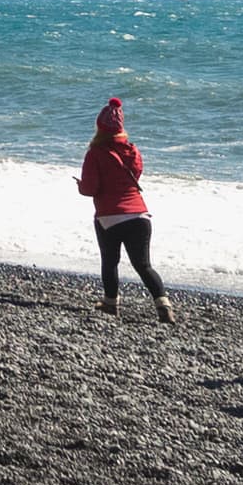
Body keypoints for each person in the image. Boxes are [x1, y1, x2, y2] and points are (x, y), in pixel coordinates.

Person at [77, 97, 173, 322]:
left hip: (109, 216)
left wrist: (80, 186)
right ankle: (163, 305)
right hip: (140, 215)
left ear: (99, 128)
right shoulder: (133, 151)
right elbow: (135, 176)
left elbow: (90, 189)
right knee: (144, 265)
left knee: (110, 261)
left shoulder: (95, 153)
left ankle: (111, 303)